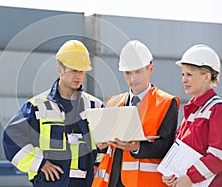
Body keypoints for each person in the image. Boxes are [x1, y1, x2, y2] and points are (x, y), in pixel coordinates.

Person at [2, 40, 103, 187]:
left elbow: (105, 147)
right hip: (50, 183)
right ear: (60, 69)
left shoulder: (95, 106)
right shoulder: (38, 107)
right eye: (74, 70)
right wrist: (40, 163)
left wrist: (98, 166)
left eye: (82, 71)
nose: (79, 76)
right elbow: (11, 138)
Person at [93, 40, 180, 187]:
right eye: (128, 73)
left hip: (144, 183)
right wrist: (100, 144)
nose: (133, 79)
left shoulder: (166, 102)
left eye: (138, 71)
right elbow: (105, 149)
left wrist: (137, 147)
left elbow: (166, 146)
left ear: (150, 69)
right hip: (112, 181)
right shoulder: (113, 102)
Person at [162, 44, 222, 187]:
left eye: (189, 74)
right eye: (183, 74)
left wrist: (190, 177)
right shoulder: (192, 110)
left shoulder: (217, 109)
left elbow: (218, 155)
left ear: (206, 77)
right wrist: (170, 174)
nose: (184, 80)